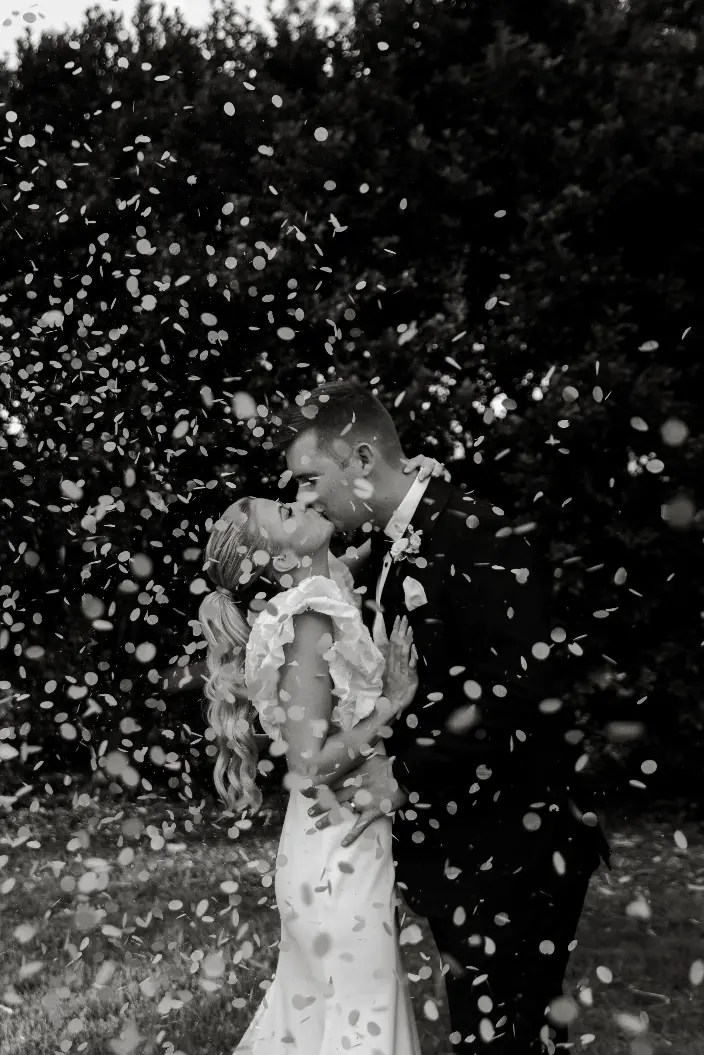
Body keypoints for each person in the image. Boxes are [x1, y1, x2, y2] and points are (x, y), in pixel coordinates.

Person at [270, 380, 612, 1054]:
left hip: (518, 842)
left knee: (503, 1037)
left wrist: (404, 769)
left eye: (313, 479)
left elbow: (523, 690)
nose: (307, 497)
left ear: (363, 461)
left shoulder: (474, 532)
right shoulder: (397, 544)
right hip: (467, 840)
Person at [198, 455, 447, 1054]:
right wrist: (392, 701)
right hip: (336, 847)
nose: (303, 501)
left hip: (334, 838)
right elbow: (306, 766)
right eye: (286, 510)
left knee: (327, 1021)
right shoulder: (306, 618)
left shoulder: (322, 589)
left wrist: (417, 481)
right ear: (277, 560)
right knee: (358, 1025)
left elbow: (377, 542)